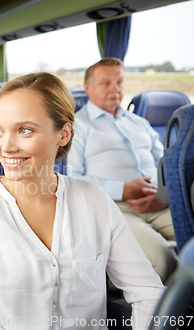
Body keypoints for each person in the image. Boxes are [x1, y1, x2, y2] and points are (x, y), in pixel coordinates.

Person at [0, 73, 164, 330]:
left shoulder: (95, 200)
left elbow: (148, 293)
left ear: (63, 134)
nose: (6, 146)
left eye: (25, 130)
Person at [67, 58, 177, 283]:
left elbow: (167, 164)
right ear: (87, 88)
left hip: (160, 202)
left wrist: (164, 195)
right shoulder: (77, 127)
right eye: (105, 83)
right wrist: (123, 190)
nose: (115, 89)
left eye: (119, 82)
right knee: (162, 260)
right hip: (115, 208)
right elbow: (72, 178)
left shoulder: (140, 123)